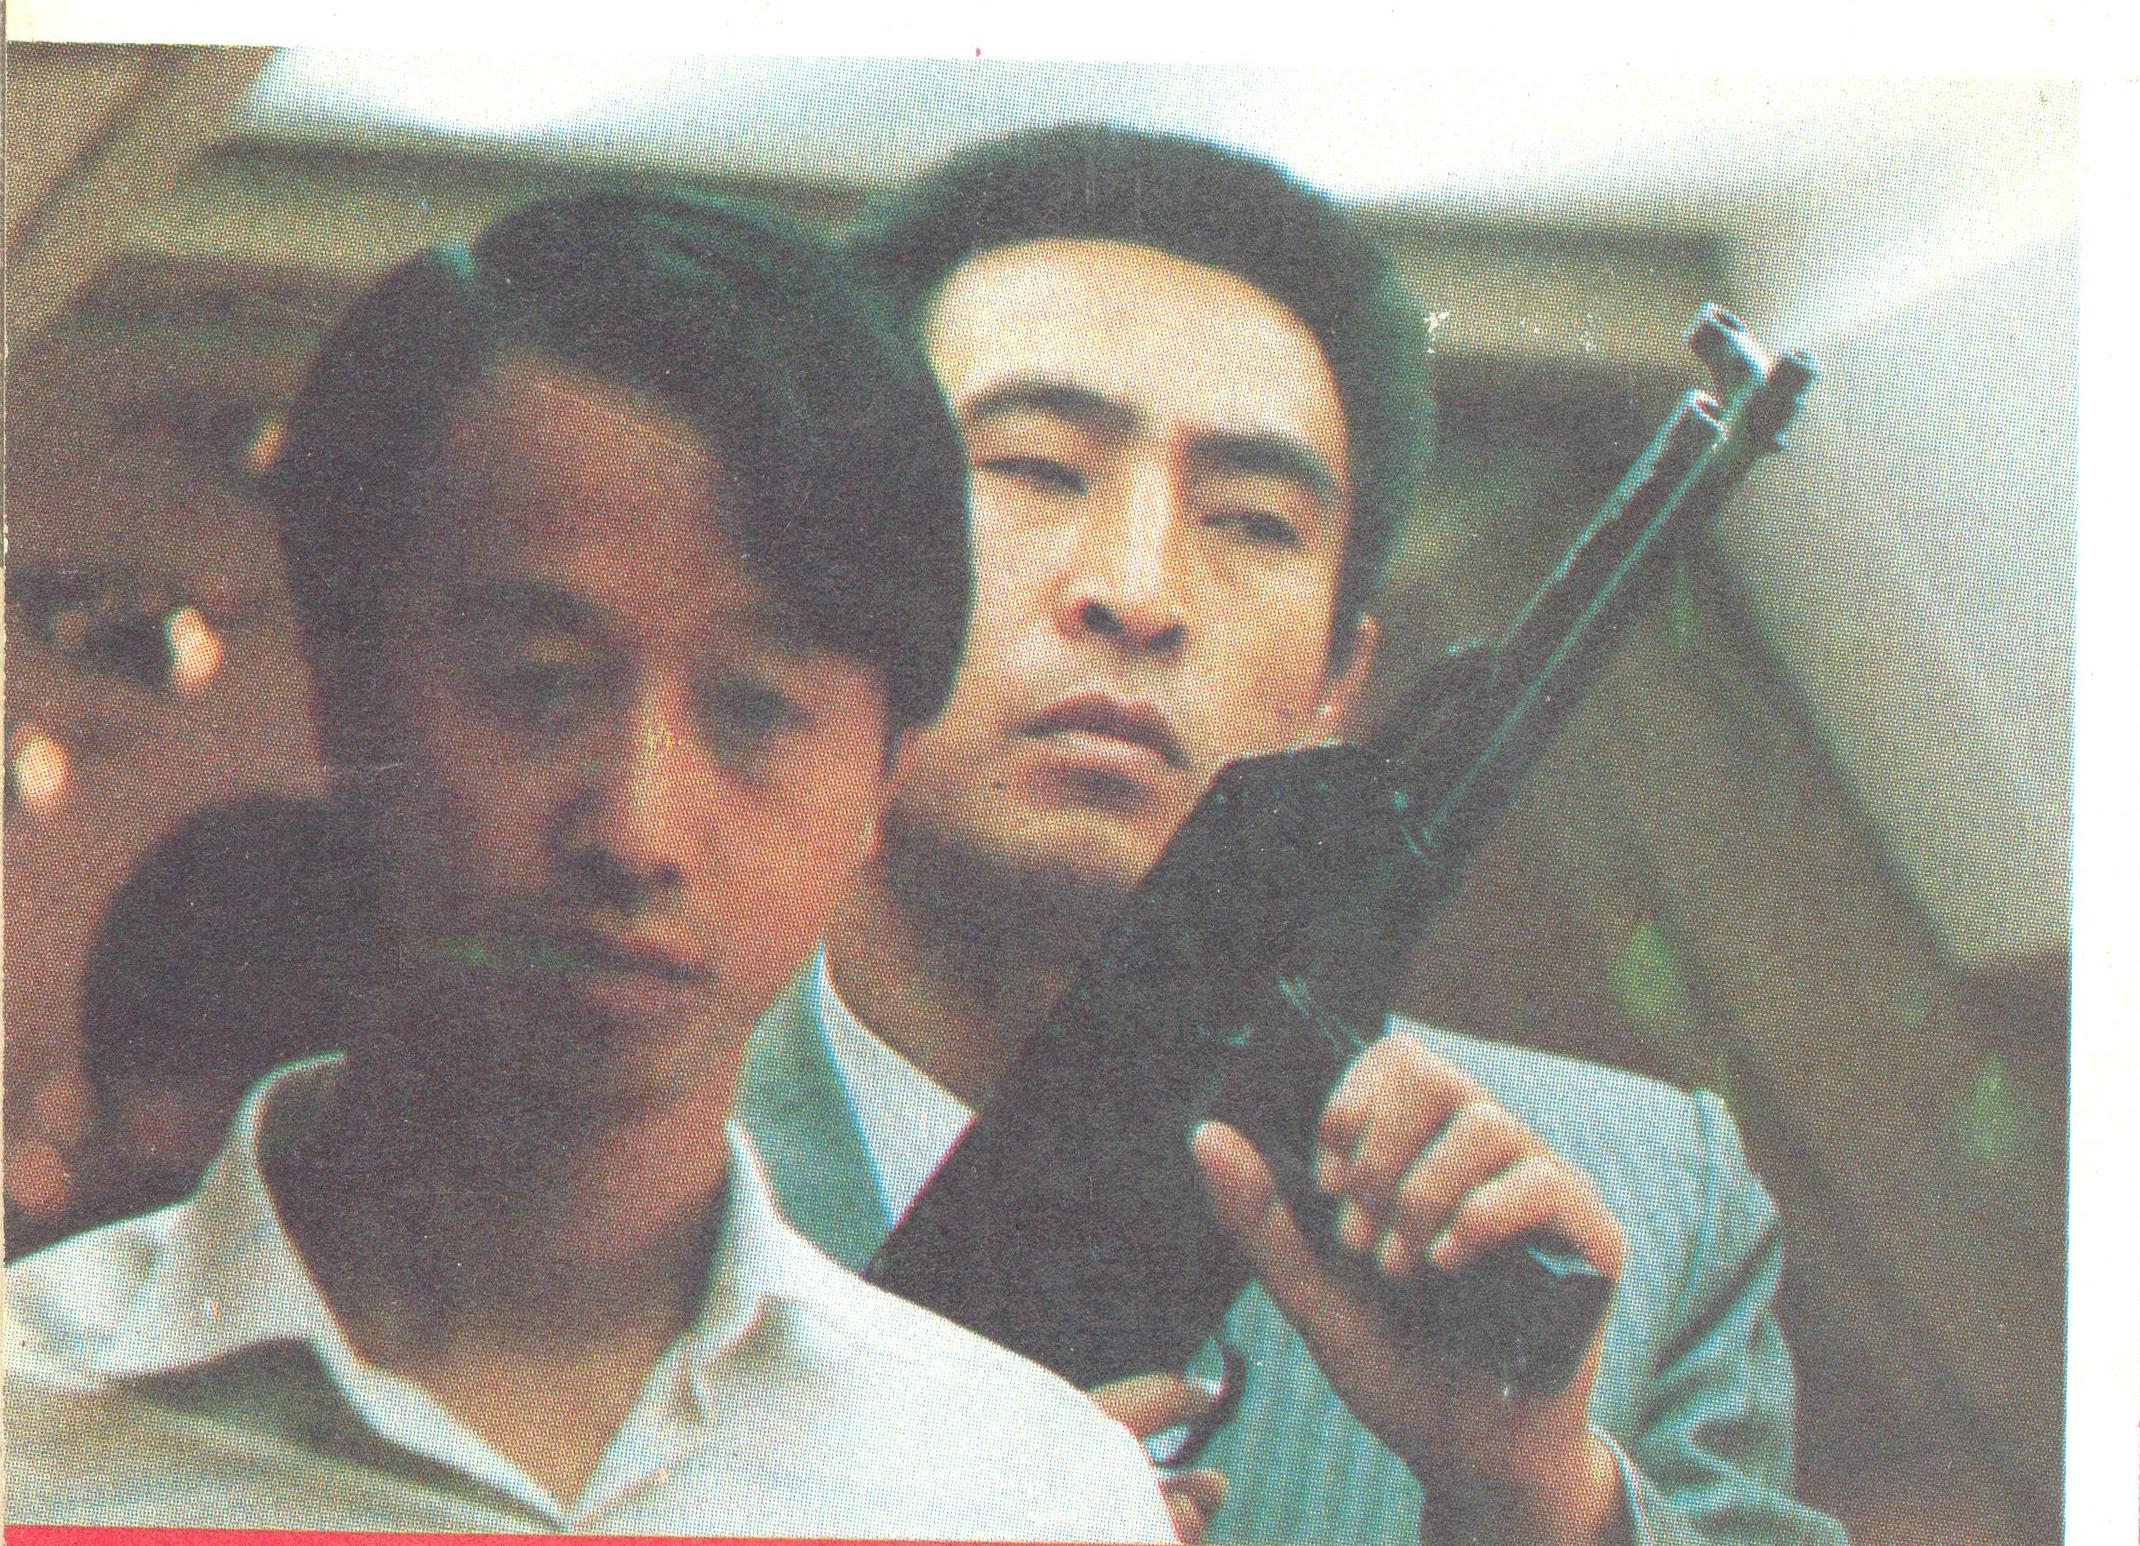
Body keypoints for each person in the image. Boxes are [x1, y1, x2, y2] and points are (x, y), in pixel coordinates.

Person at [5, 186, 1175, 1542]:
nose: (636, 830)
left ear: (881, 775)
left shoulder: (1016, 1494)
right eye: (538, 682)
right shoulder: (31, 1430)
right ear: (346, 701)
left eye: (755, 710)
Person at [732, 127, 1849, 1546]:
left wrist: (1539, 1504)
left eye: (1255, 522)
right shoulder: (525, 1149)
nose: (1140, 591)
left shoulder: (1629, 1215)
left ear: (1339, 681)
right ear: (830, 577)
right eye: (1035, 467)